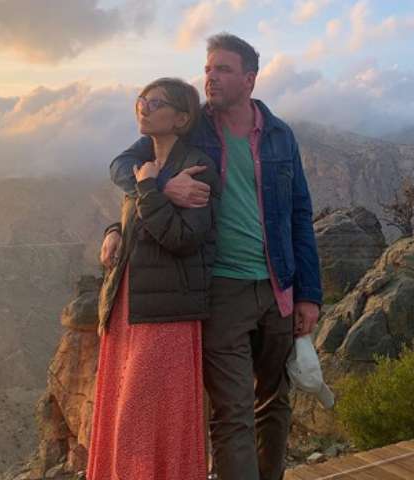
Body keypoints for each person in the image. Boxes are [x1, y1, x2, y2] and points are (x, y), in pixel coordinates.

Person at [104, 33, 323, 480]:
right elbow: (123, 167)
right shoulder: (193, 128)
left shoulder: (280, 135)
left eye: (223, 69)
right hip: (221, 288)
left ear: (249, 79)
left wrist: (309, 294)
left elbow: (300, 214)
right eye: (207, 69)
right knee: (233, 412)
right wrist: (158, 189)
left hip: (278, 288)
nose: (210, 78)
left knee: (274, 403)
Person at [87, 78, 220, 480]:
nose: (144, 107)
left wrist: (149, 187)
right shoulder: (144, 164)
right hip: (128, 304)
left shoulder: (197, 167)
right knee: (122, 414)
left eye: (156, 103)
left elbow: (181, 238)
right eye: (142, 99)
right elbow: (137, 215)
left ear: (180, 118)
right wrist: (114, 230)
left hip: (166, 313)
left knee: (142, 420)